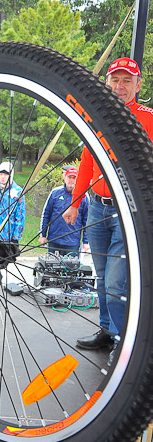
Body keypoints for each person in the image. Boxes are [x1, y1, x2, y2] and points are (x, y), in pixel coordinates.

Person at [63, 57, 153, 361]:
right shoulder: (96, 117)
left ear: (138, 86)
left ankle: (123, 341)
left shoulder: (149, 118)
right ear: (107, 83)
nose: (120, 86)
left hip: (128, 213)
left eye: (127, 80)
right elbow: (87, 162)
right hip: (97, 210)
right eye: (115, 79)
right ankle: (107, 330)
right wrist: (75, 203)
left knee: (117, 281)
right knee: (102, 276)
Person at [39, 166, 90, 256]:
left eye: (74, 178)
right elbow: (46, 215)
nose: (71, 180)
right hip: (54, 240)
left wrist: (86, 242)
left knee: (71, 265)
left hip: (72, 243)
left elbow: (87, 221)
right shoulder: (55, 193)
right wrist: (42, 235)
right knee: (51, 264)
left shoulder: (84, 196)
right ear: (65, 177)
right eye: (69, 177)